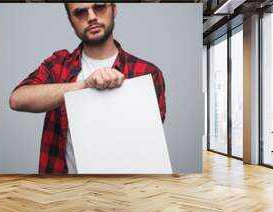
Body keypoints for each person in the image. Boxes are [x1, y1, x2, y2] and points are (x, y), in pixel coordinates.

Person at [10, 3, 166, 174]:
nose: (91, 17)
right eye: (80, 12)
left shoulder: (147, 73)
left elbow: (149, 142)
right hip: (63, 192)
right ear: (71, 20)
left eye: (99, 7)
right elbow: (17, 99)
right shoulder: (58, 65)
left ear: (114, 9)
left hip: (124, 189)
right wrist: (84, 85)